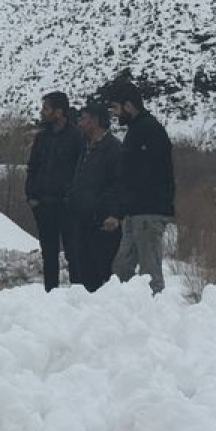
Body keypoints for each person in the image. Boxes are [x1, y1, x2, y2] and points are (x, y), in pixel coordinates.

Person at [105, 81, 176, 295]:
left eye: (116, 108)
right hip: (134, 212)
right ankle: (125, 310)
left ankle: (154, 315)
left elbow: (141, 176)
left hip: (149, 211)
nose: (115, 115)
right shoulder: (137, 130)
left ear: (128, 106)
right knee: (121, 268)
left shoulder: (149, 130)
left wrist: (120, 210)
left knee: (149, 272)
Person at [26, 91, 83, 291]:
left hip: (67, 207)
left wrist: (73, 197)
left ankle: (77, 294)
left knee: (73, 252)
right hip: (43, 205)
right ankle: (50, 294)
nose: (42, 112)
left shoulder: (77, 137)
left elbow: (82, 171)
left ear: (59, 112)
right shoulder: (42, 138)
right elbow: (32, 167)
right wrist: (31, 195)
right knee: (49, 254)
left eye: (46, 108)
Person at [67, 103, 123, 292]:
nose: (79, 123)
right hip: (82, 219)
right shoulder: (85, 148)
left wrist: (114, 213)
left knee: (103, 274)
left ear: (95, 121)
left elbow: (119, 184)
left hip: (103, 222)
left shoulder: (114, 149)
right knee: (84, 273)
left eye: (83, 119)